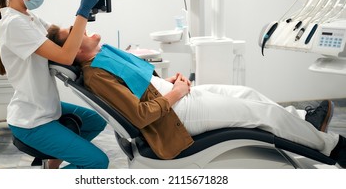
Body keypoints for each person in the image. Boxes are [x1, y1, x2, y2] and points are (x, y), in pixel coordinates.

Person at [47, 24, 346, 168]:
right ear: (74, 49)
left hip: (177, 100)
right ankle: (333, 147)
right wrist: (175, 92)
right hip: (177, 116)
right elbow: (139, 115)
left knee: (247, 93)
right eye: (73, 29)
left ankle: (305, 122)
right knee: (261, 114)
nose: (81, 27)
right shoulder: (96, 74)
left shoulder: (101, 60)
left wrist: (166, 83)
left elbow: (137, 88)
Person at [0, 0, 109, 169]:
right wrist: (83, 10)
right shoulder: (13, 24)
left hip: (46, 104)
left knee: (96, 121)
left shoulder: (29, 17)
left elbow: (61, 37)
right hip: (32, 120)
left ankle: (51, 165)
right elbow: (65, 56)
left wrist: (83, 14)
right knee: (97, 162)